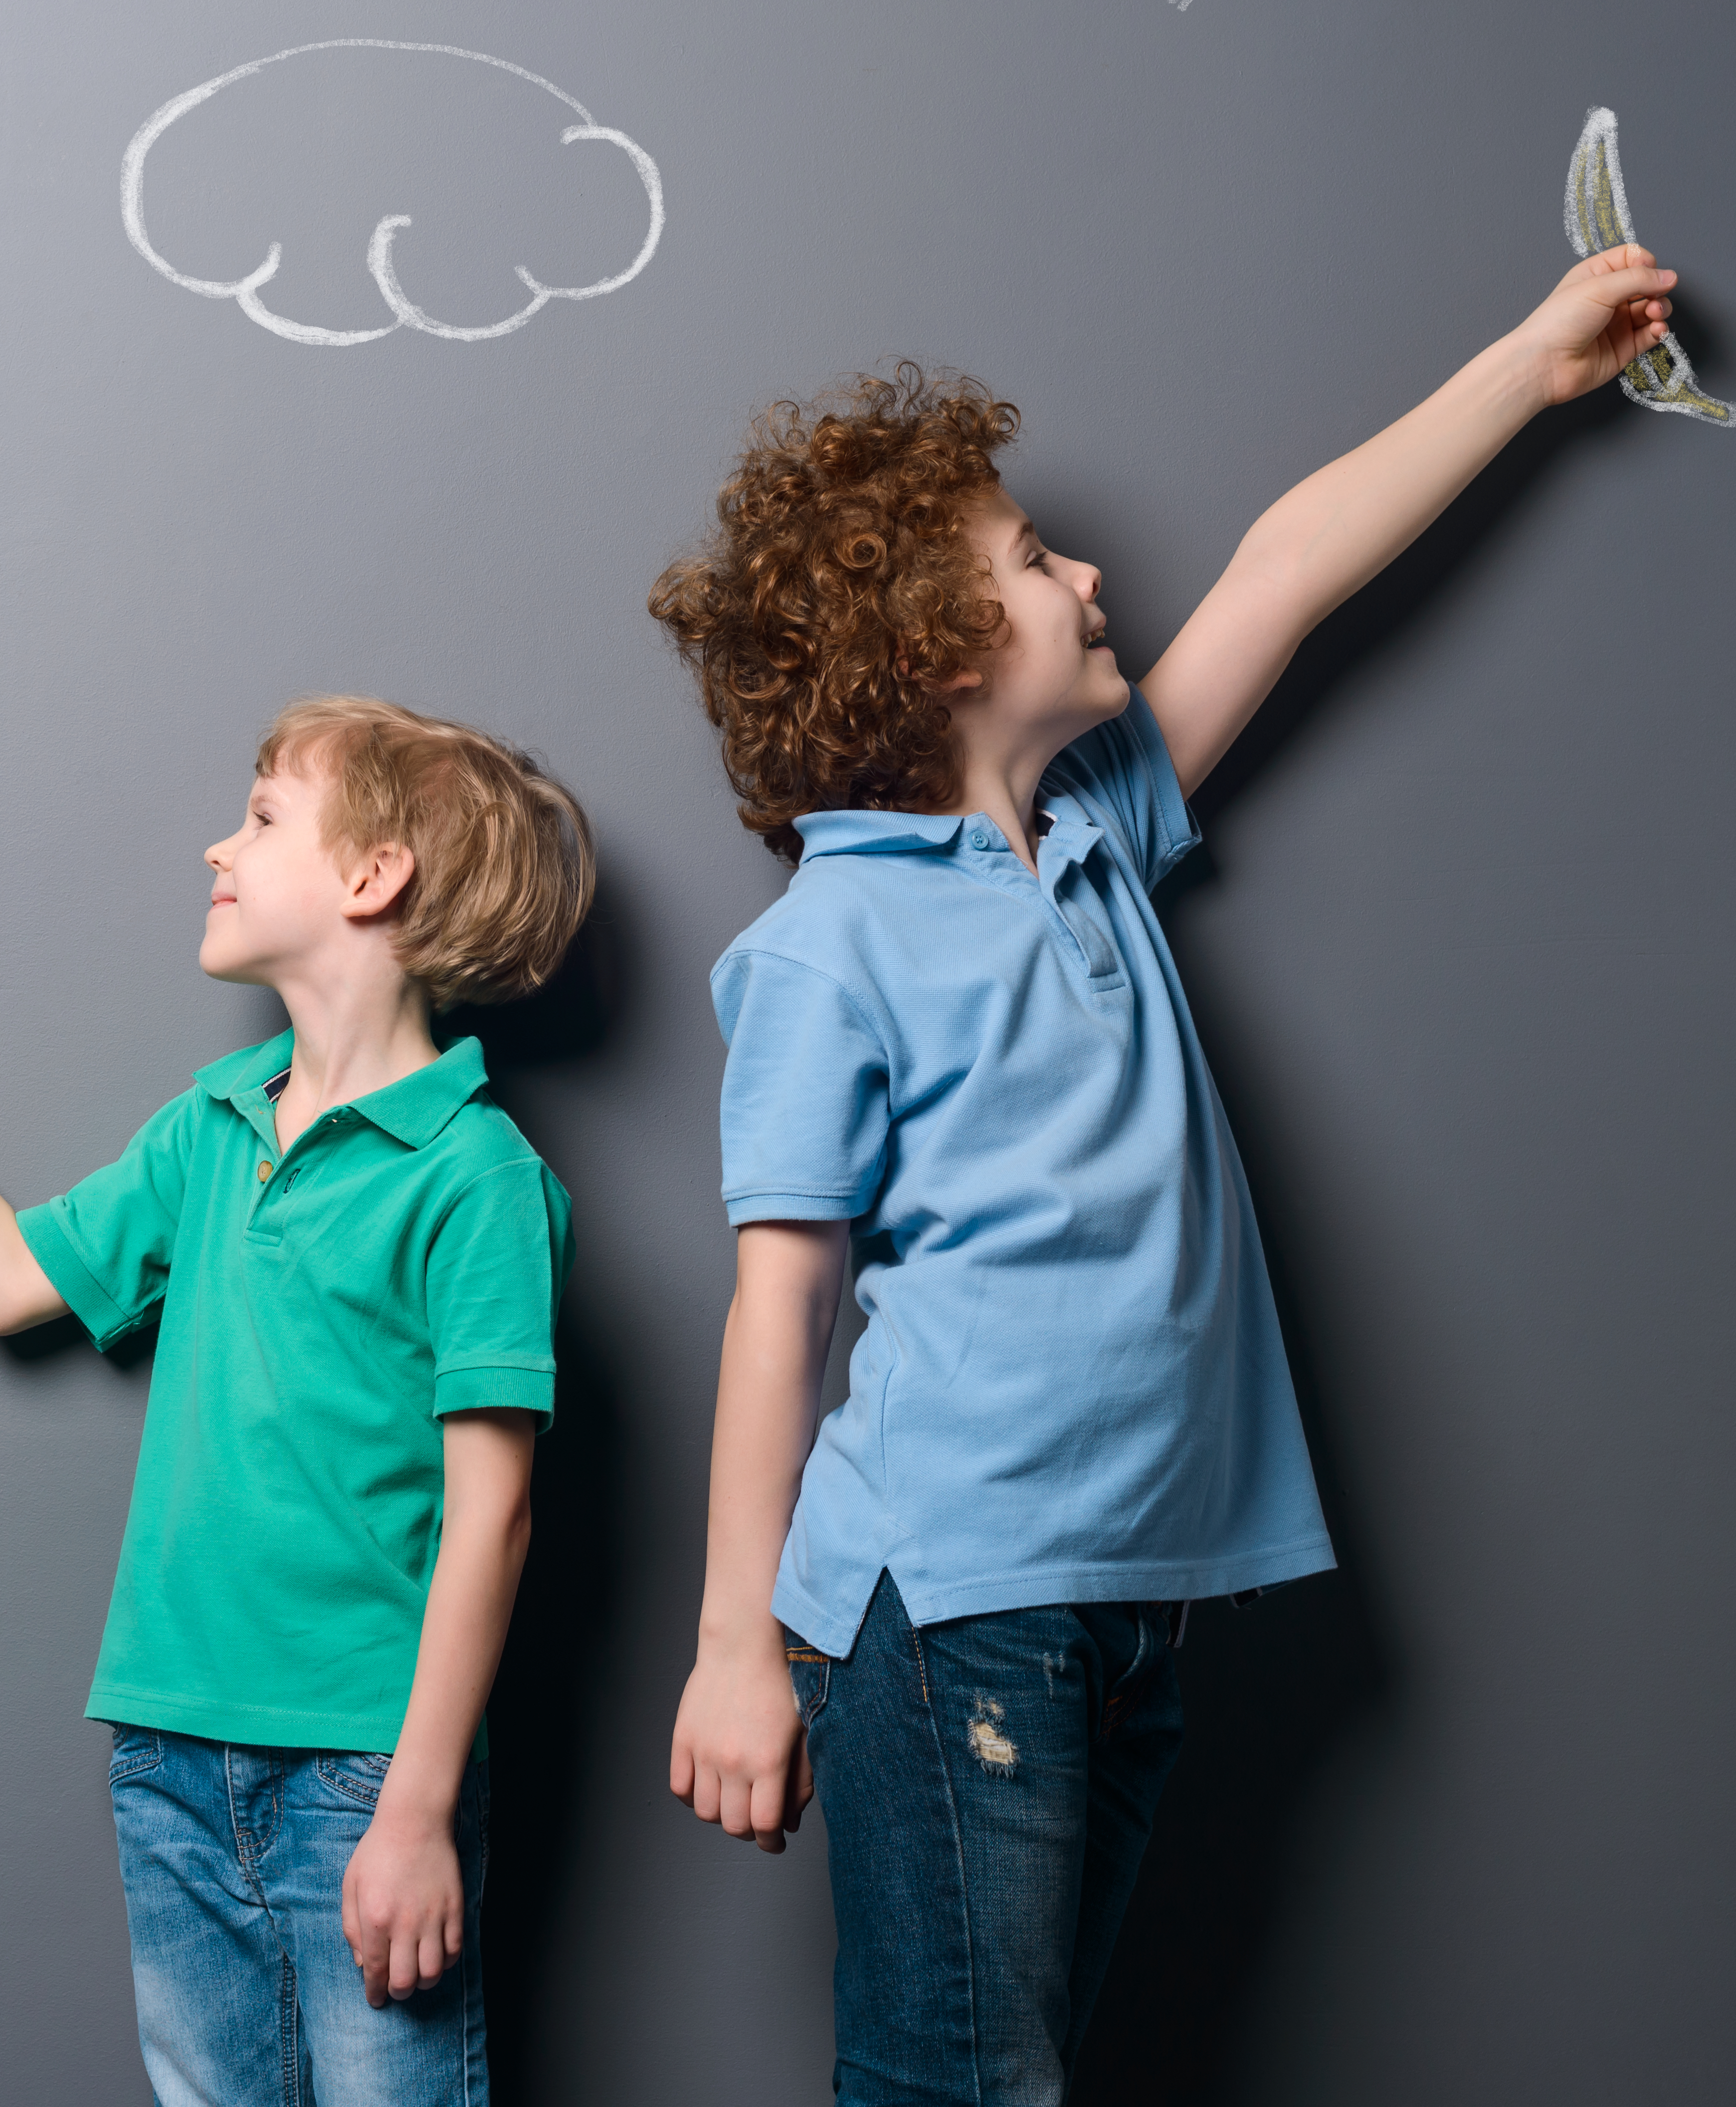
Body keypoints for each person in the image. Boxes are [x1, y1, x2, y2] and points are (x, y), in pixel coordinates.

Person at [649, 245, 1682, 2101]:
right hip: (954, 1602)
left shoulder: (1098, 830)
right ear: (952, 653)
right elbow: (776, 1316)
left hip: (1135, 1595)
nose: (1092, 573)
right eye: (1041, 560)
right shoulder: (830, 944)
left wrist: (1529, 368)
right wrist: (737, 1650)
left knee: (1009, 2078)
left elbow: (1287, 564)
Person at [0, 695, 594, 2106]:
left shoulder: (476, 1175)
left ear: (371, 875)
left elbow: (495, 1520)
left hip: (360, 1772)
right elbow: (7, 1282)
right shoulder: (213, 1122)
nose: (217, 846)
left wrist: (418, 1811)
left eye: (263, 817)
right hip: (166, 1748)